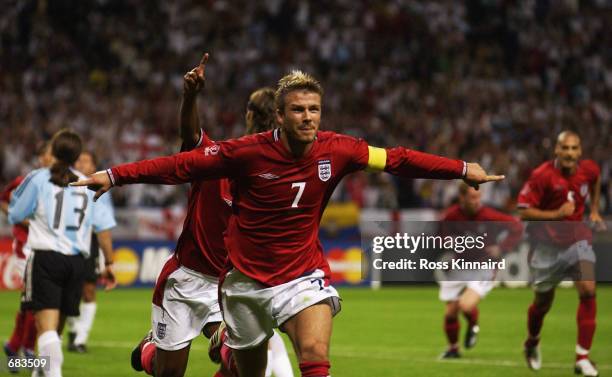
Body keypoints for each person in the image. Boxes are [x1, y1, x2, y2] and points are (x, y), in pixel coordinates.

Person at [74, 70, 504, 377]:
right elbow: (178, 164)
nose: (308, 117)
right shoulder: (243, 154)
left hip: (301, 276)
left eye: (314, 109)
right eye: (298, 110)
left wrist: (461, 168)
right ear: (279, 116)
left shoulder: (340, 150)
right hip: (240, 284)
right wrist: (114, 176)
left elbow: (398, 159)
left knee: (315, 356)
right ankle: (153, 350)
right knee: (196, 370)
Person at [130, 54, 292, 377]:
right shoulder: (218, 159)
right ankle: (151, 352)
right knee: (169, 372)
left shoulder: (273, 179)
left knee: (239, 363)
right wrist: (190, 97)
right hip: (186, 280)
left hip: (228, 284)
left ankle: (203, 344)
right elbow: (191, 138)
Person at [8, 129, 116, 377]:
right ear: (78, 156)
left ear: (53, 152)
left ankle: (51, 372)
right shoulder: (88, 182)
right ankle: (39, 372)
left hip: (46, 259)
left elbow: (15, 214)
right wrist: (109, 263)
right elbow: (104, 228)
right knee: (56, 331)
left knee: (46, 328)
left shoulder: (38, 178)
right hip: (77, 263)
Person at [517, 131, 605, 377]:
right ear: (556, 150)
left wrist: (595, 210)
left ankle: (582, 358)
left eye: (574, 148)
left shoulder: (588, 169)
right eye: (564, 148)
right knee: (542, 304)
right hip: (545, 248)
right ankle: (532, 341)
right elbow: (523, 210)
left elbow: (596, 179)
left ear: (580, 151)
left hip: (577, 241)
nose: (569, 153)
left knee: (588, 290)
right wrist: (556, 215)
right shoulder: (541, 176)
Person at [438, 182, 522, 359]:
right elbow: (443, 237)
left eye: (478, 197)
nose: (477, 201)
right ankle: (453, 349)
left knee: (466, 305)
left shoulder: (489, 215)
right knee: (450, 313)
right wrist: (449, 247)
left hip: (484, 266)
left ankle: (473, 324)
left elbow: (516, 226)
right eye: (472, 197)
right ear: (462, 198)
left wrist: (502, 248)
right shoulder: (451, 216)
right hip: (460, 266)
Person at [1, 142, 54, 372]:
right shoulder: (27, 181)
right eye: (49, 155)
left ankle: (14, 348)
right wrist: (28, 221)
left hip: (48, 248)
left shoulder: (59, 183)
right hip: (27, 247)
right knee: (37, 300)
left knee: (30, 300)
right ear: (41, 158)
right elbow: (5, 202)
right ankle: (27, 349)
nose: (53, 159)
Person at [66, 151, 116, 353]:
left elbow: (103, 228)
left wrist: (107, 260)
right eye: (78, 159)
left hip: (88, 244)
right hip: (64, 244)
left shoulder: (98, 187)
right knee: (68, 294)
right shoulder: (63, 183)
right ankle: (73, 329)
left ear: (94, 166)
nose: (81, 163)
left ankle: (80, 339)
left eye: (86, 160)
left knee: (88, 291)